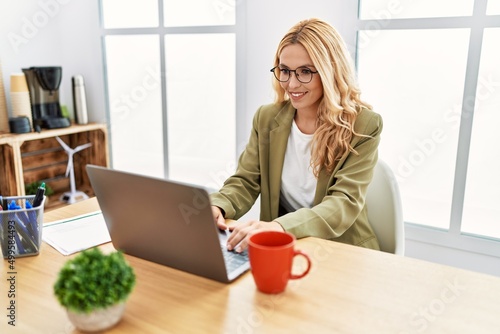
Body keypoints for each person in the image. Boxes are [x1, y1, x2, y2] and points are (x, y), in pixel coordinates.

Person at [209, 18, 382, 253]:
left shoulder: (364, 125)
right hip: (284, 248)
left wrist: (278, 227)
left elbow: (343, 203)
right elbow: (246, 181)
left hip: (341, 251)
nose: (291, 83)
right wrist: (217, 205)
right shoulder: (267, 118)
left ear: (331, 72)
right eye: (285, 71)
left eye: (305, 72)